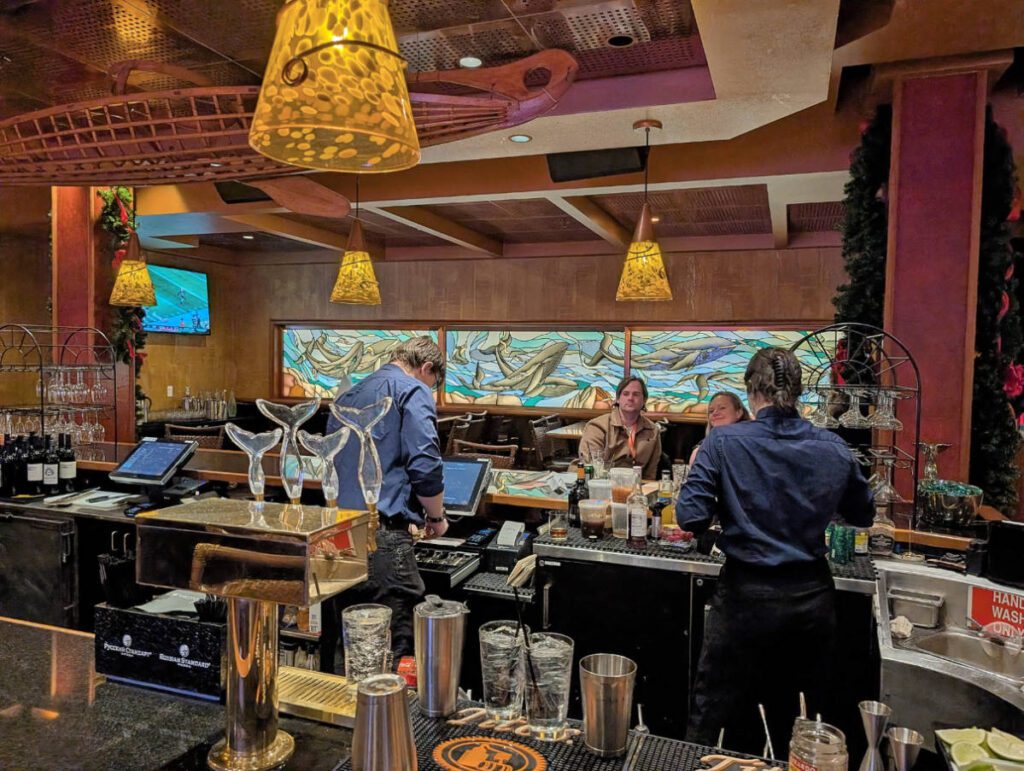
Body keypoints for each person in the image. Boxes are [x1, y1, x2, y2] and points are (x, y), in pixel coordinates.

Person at [676, 347, 873, 755]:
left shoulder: (722, 442)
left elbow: (690, 516)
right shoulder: (833, 447)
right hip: (812, 602)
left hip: (745, 600)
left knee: (717, 720)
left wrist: (728, 505)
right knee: (802, 725)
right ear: (797, 392)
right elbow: (863, 513)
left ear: (752, 392)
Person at [319, 336, 448, 674]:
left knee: (349, 648)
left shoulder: (349, 394)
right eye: (433, 383)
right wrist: (436, 518)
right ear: (427, 368)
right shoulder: (412, 390)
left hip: (336, 535)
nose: (430, 390)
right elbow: (425, 465)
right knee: (391, 652)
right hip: (382, 537)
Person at [579, 375, 661, 479]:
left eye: (636, 394)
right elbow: (592, 468)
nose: (630, 398)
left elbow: (650, 474)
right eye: (625, 394)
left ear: (644, 400)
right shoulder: (597, 427)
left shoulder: (653, 431)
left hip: (634, 484)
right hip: (598, 482)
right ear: (618, 399)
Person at [688, 391, 750, 466]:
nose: (715, 413)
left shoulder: (751, 443)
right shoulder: (701, 449)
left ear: (738, 413)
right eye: (711, 411)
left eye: (722, 408)